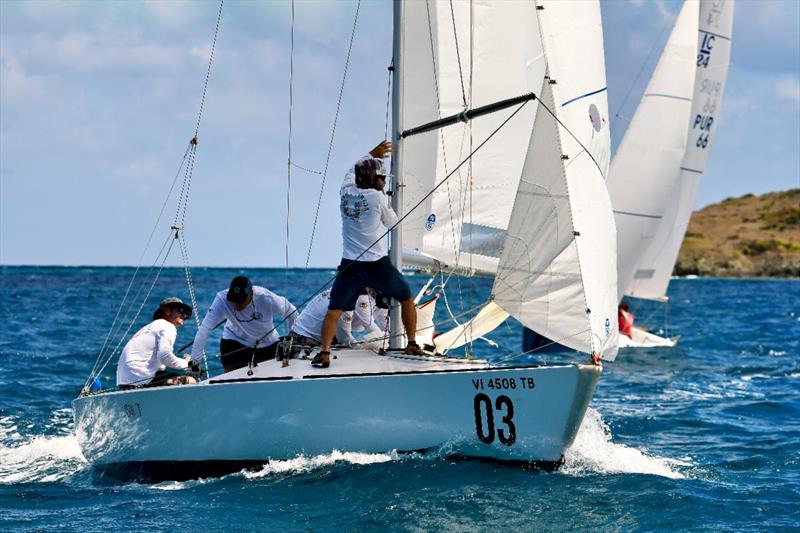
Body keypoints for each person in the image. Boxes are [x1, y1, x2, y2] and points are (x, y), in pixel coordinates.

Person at [313, 140, 424, 368]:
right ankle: (411, 342)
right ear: (374, 180)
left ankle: (324, 352)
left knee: (334, 310)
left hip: (350, 265)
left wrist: (371, 153)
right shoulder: (377, 198)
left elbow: (348, 171)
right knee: (406, 297)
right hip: (376, 264)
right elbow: (393, 223)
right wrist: (386, 197)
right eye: (381, 178)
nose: (383, 181)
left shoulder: (345, 190)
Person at [192, 275, 297, 373]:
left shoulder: (266, 298)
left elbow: (292, 311)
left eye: (241, 300)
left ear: (251, 294)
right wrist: (195, 362)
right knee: (230, 378)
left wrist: (293, 340)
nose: (237, 304)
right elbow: (205, 329)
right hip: (234, 341)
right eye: (234, 300)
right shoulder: (221, 299)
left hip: (267, 343)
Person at [116, 297, 197, 388]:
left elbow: (159, 364)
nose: (184, 316)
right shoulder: (167, 326)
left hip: (124, 384)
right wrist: (187, 363)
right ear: (167, 311)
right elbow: (164, 357)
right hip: (141, 381)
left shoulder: (149, 327)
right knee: (191, 381)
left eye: (186, 314)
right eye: (181, 311)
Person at [291, 289, 381, 347]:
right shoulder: (348, 298)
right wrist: (361, 348)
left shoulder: (352, 288)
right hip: (303, 341)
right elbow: (344, 338)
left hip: (324, 341)